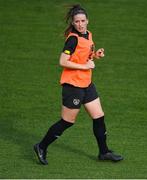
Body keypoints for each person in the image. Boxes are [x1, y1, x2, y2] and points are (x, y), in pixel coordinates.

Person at [34, 4, 123, 165]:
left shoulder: (88, 34)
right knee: (67, 122)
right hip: (72, 86)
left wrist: (95, 55)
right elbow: (63, 61)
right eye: (77, 22)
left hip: (87, 84)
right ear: (73, 23)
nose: (80, 24)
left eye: (83, 21)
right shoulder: (73, 39)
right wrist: (85, 66)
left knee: (99, 117)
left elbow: (83, 57)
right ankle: (41, 146)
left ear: (87, 21)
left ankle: (103, 152)